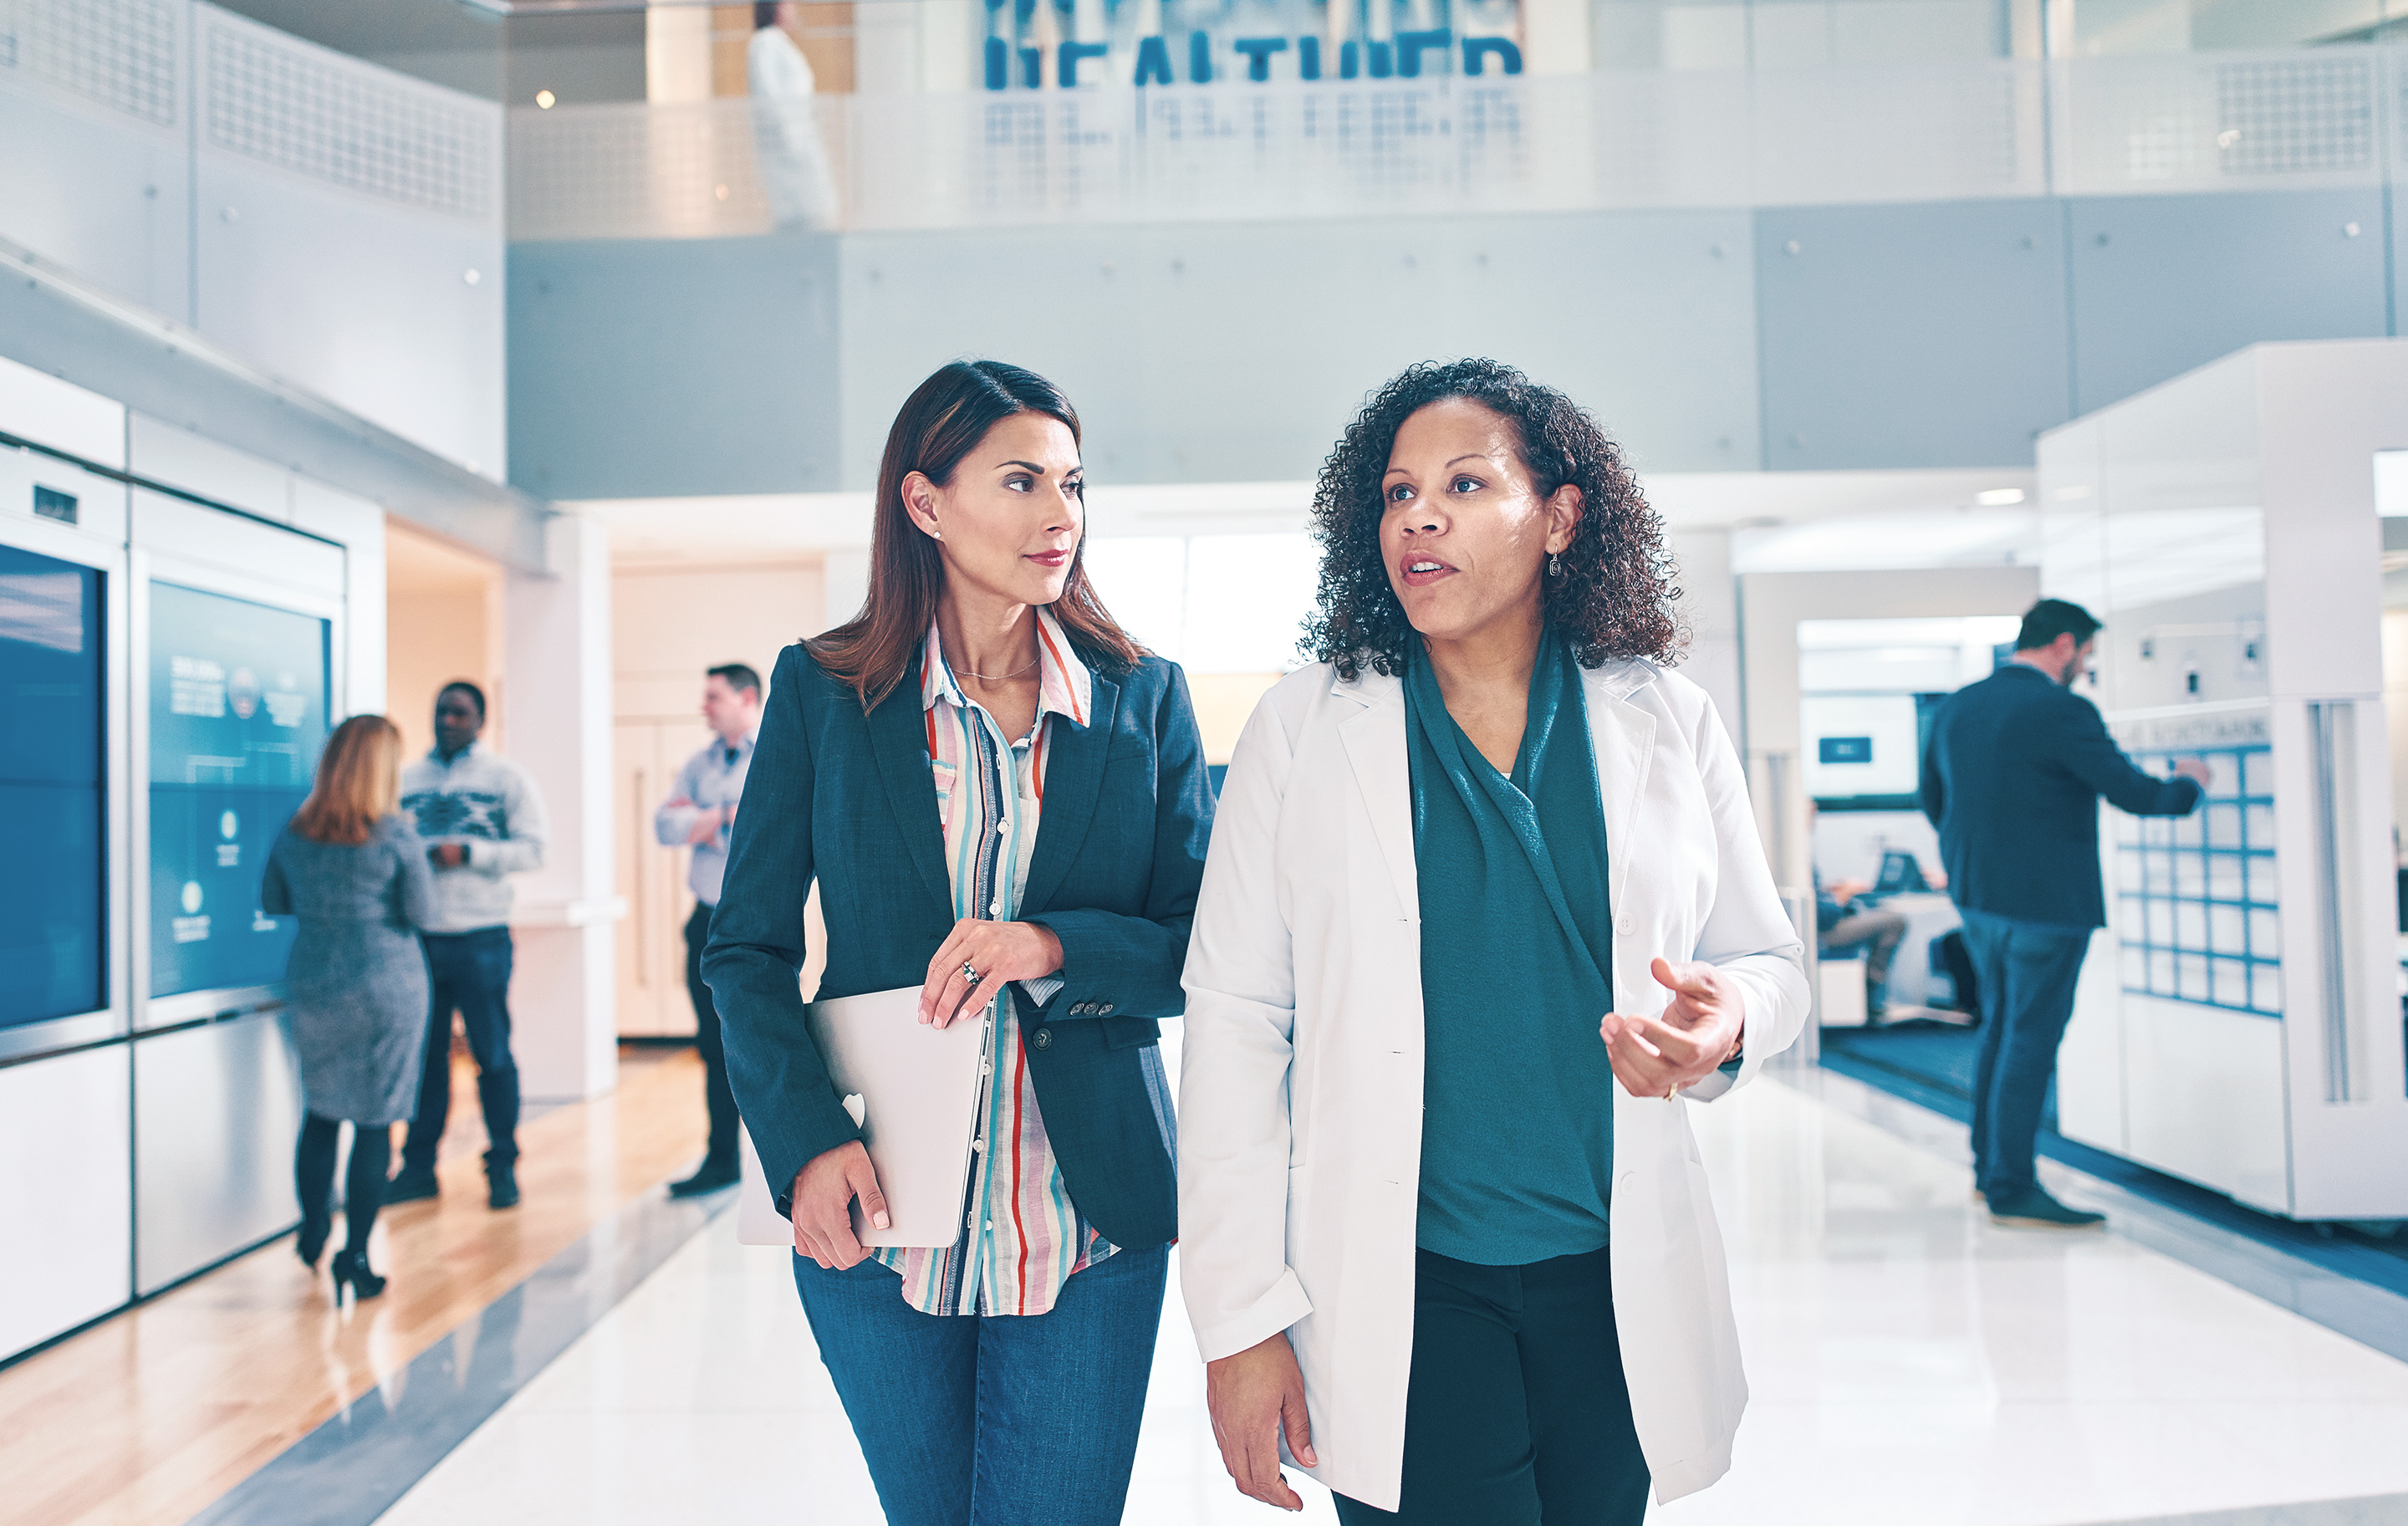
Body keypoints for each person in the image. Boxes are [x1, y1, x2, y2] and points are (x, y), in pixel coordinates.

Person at [1178, 359, 1809, 1523]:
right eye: (1396, 492)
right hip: (1405, 1284)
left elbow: (1767, 962)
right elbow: (1233, 1023)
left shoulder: (1662, 712)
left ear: (1561, 515)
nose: (1419, 514)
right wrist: (1238, 1320)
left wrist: (1725, 1026)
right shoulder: (1306, 725)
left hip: (1616, 1280)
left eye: (1466, 485)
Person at [704, 360, 1213, 1526]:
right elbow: (745, 949)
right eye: (1023, 481)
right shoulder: (824, 691)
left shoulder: (1144, 703)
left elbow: (1199, 948)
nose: (1060, 517)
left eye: (1074, 485)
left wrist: (1051, 944)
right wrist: (801, 1147)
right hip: (877, 1215)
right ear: (924, 503)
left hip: (1086, 1224)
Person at [1921, 597, 2207, 1229]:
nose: (2085, 666)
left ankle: (1988, 1171)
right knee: (2030, 1041)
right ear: (2064, 645)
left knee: (1999, 1030)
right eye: (2086, 654)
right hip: (2046, 911)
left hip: (1979, 902)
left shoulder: (1958, 705)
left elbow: (1932, 798)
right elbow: (2137, 793)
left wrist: (1978, 860)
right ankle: (2012, 1186)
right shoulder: (2062, 710)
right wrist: (2190, 784)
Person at [263, 714, 435, 1302]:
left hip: (314, 980)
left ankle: (313, 1227)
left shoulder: (295, 831)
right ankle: (356, 1255)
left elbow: (272, 899)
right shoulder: (396, 835)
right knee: (374, 1118)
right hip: (387, 983)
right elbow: (424, 912)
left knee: (321, 1109)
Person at [388, 681, 548, 1212]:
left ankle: (502, 1165)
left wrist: (471, 853)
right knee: (426, 1059)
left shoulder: (505, 779)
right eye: (440, 712)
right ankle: (418, 1167)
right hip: (422, 938)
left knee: (492, 1054)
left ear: (481, 719)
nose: (447, 721)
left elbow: (533, 850)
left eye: (458, 713)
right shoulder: (406, 780)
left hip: (482, 936)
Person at [652, 661, 764, 1197]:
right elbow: (664, 824)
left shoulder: (775, 753)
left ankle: (776, 1159)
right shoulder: (700, 763)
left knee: (761, 1042)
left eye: (714, 697)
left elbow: (762, 828)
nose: (705, 706)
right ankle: (722, 1159)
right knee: (711, 1044)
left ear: (746, 698)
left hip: (755, 922)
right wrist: (722, 815)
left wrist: (703, 819)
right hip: (704, 920)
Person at [748, 1, 839, 230]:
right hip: (788, 147)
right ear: (776, 8)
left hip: (798, 142)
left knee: (816, 216)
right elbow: (768, 94)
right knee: (801, 219)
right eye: (789, 4)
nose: (795, 9)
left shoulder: (778, 43)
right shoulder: (765, 43)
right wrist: (790, 139)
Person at [1816, 870, 1906, 1018]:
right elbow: (1823, 915)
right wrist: (1842, 895)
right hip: (1820, 930)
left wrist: (1830, 890)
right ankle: (1873, 995)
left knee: (1883, 918)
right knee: (1894, 923)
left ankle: (1872, 993)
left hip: (1820, 922)